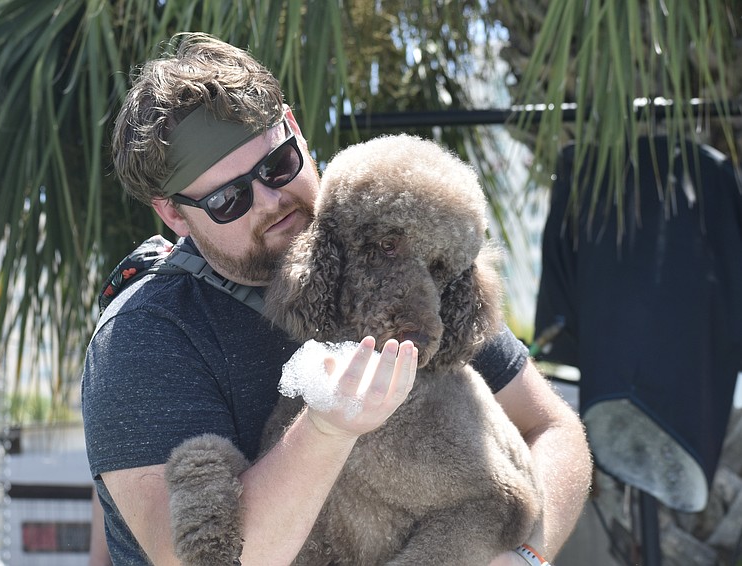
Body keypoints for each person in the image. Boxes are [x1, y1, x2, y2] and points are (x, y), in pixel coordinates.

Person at [82, 32, 592, 566]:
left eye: (277, 165)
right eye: (227, 199)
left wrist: (525, 557)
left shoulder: (388, 235)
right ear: (174, 215)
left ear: (294, 130)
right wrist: (329, 426)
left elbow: (552, 427)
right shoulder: (145, 337)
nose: (272, 201)